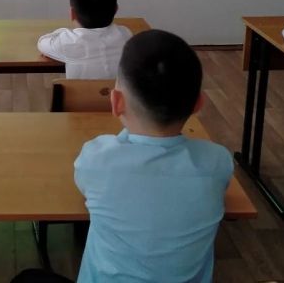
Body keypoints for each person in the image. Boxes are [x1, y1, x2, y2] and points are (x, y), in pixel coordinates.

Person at [74, 29, 233, 283]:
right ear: (198, 104)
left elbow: (85, 187)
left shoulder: (96, 159)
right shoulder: (217, 162)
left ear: (116, 103)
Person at [37, 0, 132, 78]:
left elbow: (42, 43)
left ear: (72, 13)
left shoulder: (68, 42)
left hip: (78, 90)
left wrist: (65, 32)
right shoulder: (125, 35)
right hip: (117, 89)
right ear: (116, 9)